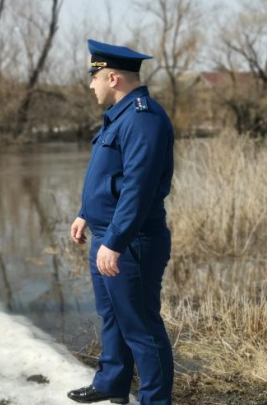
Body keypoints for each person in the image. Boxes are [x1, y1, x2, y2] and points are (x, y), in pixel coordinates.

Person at [66, 39, 174, 405]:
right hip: (108, 235)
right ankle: (112, 382)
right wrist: (85, 212)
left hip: (131, 242)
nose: (90, 84)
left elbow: (138, 189)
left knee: (142, 327)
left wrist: (114, 241)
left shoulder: (144, 119)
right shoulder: (120, 116)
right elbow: (107, 175)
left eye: (93, 76)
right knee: (111, 316)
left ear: (112, 78)